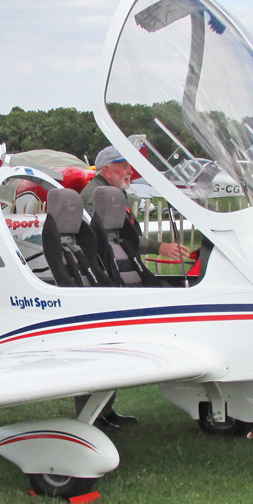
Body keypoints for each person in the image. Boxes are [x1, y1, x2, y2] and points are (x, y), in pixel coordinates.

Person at [73, 146, 191, 429]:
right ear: (106, 170)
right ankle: (94, 415)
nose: (129, 171)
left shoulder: (111, 194)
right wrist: (159, 246)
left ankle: (104, 412)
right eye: (123, 165)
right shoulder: (96, 198)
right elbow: (100, 240)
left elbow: (122, 239)